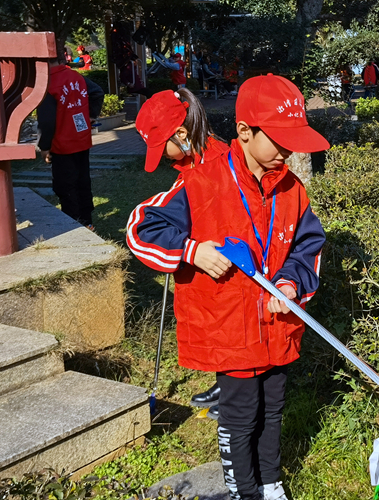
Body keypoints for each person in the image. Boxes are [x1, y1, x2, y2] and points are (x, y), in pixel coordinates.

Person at [126, 74, 329, 500]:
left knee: (272, 408)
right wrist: (192, 250)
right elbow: (141, 227)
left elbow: (307, 245)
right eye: (278, 140)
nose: (287, 151)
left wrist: (291, 284)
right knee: (240, 414)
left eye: (294, 140)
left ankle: (270, 483)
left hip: (277, 326)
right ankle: (244, 491)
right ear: (244, 131)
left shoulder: (292, 189)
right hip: (230, 327)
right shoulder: (201, 182)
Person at [128, 88, 230, 418]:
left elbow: (139, 228)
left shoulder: (198, 176)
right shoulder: (225, 154)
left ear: (182, 134)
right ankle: (228, 385)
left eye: (163, 148)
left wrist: (186, 249)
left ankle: (232, 395)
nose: (165, 157)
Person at [37, 55, 104, 229]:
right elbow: (97, 92)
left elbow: (46, 121)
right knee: (83, 181)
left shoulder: (48, 83)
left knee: (65, 185)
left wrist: (44, 146)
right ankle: (88, 221)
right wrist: (90, 115)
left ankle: (74, 224)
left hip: (62, 144)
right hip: (81, 139)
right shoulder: (76, 76)